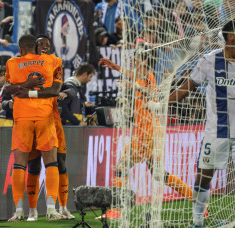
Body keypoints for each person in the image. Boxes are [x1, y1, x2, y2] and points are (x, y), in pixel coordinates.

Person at [98, 46, 196, 220]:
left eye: (135, 58)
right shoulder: (141, 76)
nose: (131, 60)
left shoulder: (148, 76)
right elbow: (133, 77)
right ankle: (194, 198)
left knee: (121, 167)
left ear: (143, 61)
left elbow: (153, 94)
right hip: (150, 131)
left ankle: (117, 211)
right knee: (158, 174)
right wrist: (116, 67)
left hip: (147, 132)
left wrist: (133, 84)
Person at [161, 20, 235, 227]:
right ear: (230, 37)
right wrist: (162, 103)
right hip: (216, 131)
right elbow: (187, 88)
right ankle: (197, 222)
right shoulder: (210, 60)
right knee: (203, 176)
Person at [3, 34, 63, 222]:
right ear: (36, 47)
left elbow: (5, 90)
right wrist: (30, 87)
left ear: (21, 49)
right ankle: (52, 210)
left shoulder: (12, 63)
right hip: (45, 116)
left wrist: (23, 87)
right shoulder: (52, 61)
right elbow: (55, 90)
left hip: (22, 117)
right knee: (51, 162)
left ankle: (20, 211)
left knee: (20, 164)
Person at [24, 35, 75, 221]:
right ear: (34, 48)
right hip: (30, 119)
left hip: (52, 119)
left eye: (47, 44)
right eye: (40, 44)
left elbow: (61, 88)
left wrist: (65, 93)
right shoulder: (24, 64)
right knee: (34, 165)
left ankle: (61, 208)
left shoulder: (55, 63)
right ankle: (32, 211)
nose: (44, 47)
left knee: (60, 163)